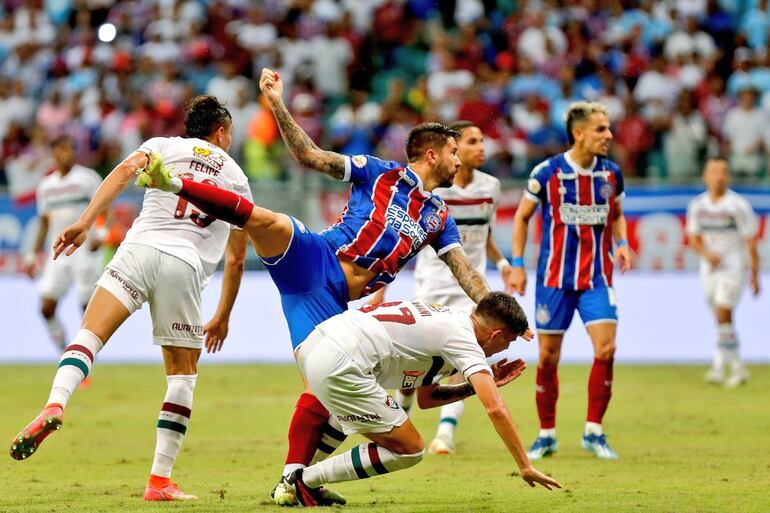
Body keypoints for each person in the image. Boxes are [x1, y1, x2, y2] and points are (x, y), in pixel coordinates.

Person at [136, 67, 514, 506]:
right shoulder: (377, 172)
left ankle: (293, 480)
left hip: (328, 302)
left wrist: (498, 312)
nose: (459, 160)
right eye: (454, 152)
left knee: (328, 388)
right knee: (264, 218)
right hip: (317, 256)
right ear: (431, 155)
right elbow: (310, 156)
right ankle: (174, 182)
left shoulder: (438, 217)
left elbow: (463, 271)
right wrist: (276, 101)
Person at [10, 96, 251, 502]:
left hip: (138, 249)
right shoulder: (236, 177)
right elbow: (237, 258)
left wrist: (85, 222)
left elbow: (123, 171)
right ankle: (159, 480)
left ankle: (55, 403)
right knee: (181, 377)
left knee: (88, 335)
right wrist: (223, 314)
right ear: (221, 132)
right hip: (184, 265)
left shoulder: (162, 146)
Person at [285, 293, 561, 506]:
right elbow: (495, 408)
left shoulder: (451, 321)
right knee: (411, 448)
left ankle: (289, 482)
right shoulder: (464, 338)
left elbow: (426, 399)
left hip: (316, 343)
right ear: (497, 334)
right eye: (509, 342)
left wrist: (471, 388)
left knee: (344, 414)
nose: (506, 349)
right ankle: (306, 480)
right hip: (344, 359)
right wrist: (524, 465)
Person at [373, 120, 516, 455]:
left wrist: (505, 265)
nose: (481, 147)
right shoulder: (437, 190)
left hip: (470, 290)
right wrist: (383, 288)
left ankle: (445, 434)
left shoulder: (490, 187)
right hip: (431, 285)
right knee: (416, 366)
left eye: (483, 140)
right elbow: (410, 238)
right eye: (472, 141)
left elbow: (485, 234)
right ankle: (399, 420)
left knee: (462, 358)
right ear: (452, 150)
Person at [510, 101, 631, 460]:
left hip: (597, 277)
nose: (609, 135)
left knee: (606, 349)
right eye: (601, 129)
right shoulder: (546, 173)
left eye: (608, 128)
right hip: (554, 279)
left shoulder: (611, 175)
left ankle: (594, 431)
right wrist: (517, 264)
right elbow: (521, 218)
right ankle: (546, 434)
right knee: (547, 358)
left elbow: (619, 215)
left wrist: (621, 243)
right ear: (579, 133)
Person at [23, 135, 103, 354]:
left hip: (84, 250)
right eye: (62, 149)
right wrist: (31, 255)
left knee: (87, 309)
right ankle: (64, 352)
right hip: (57, 253)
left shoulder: (87, 178)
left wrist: (102, 233)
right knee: (46, 308)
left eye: (71, 149)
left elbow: (106, 208)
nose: (67, 153)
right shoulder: (46, 185)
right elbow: (43, 222)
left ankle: (85, 356)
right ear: (54, 154)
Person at [686, 158, 761, 387]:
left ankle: (719, 367)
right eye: (714, 172)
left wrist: (755, 275)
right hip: (709, 268)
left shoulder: (738, 205)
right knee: (721, 319)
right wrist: (706, 254)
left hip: (732, 266)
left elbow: (751, 241)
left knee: (722, 311)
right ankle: (737, 367)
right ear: (705, 176)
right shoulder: (698, 206)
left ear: (728, 177)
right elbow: (694, 237)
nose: (719, 176)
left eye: (723, 172)